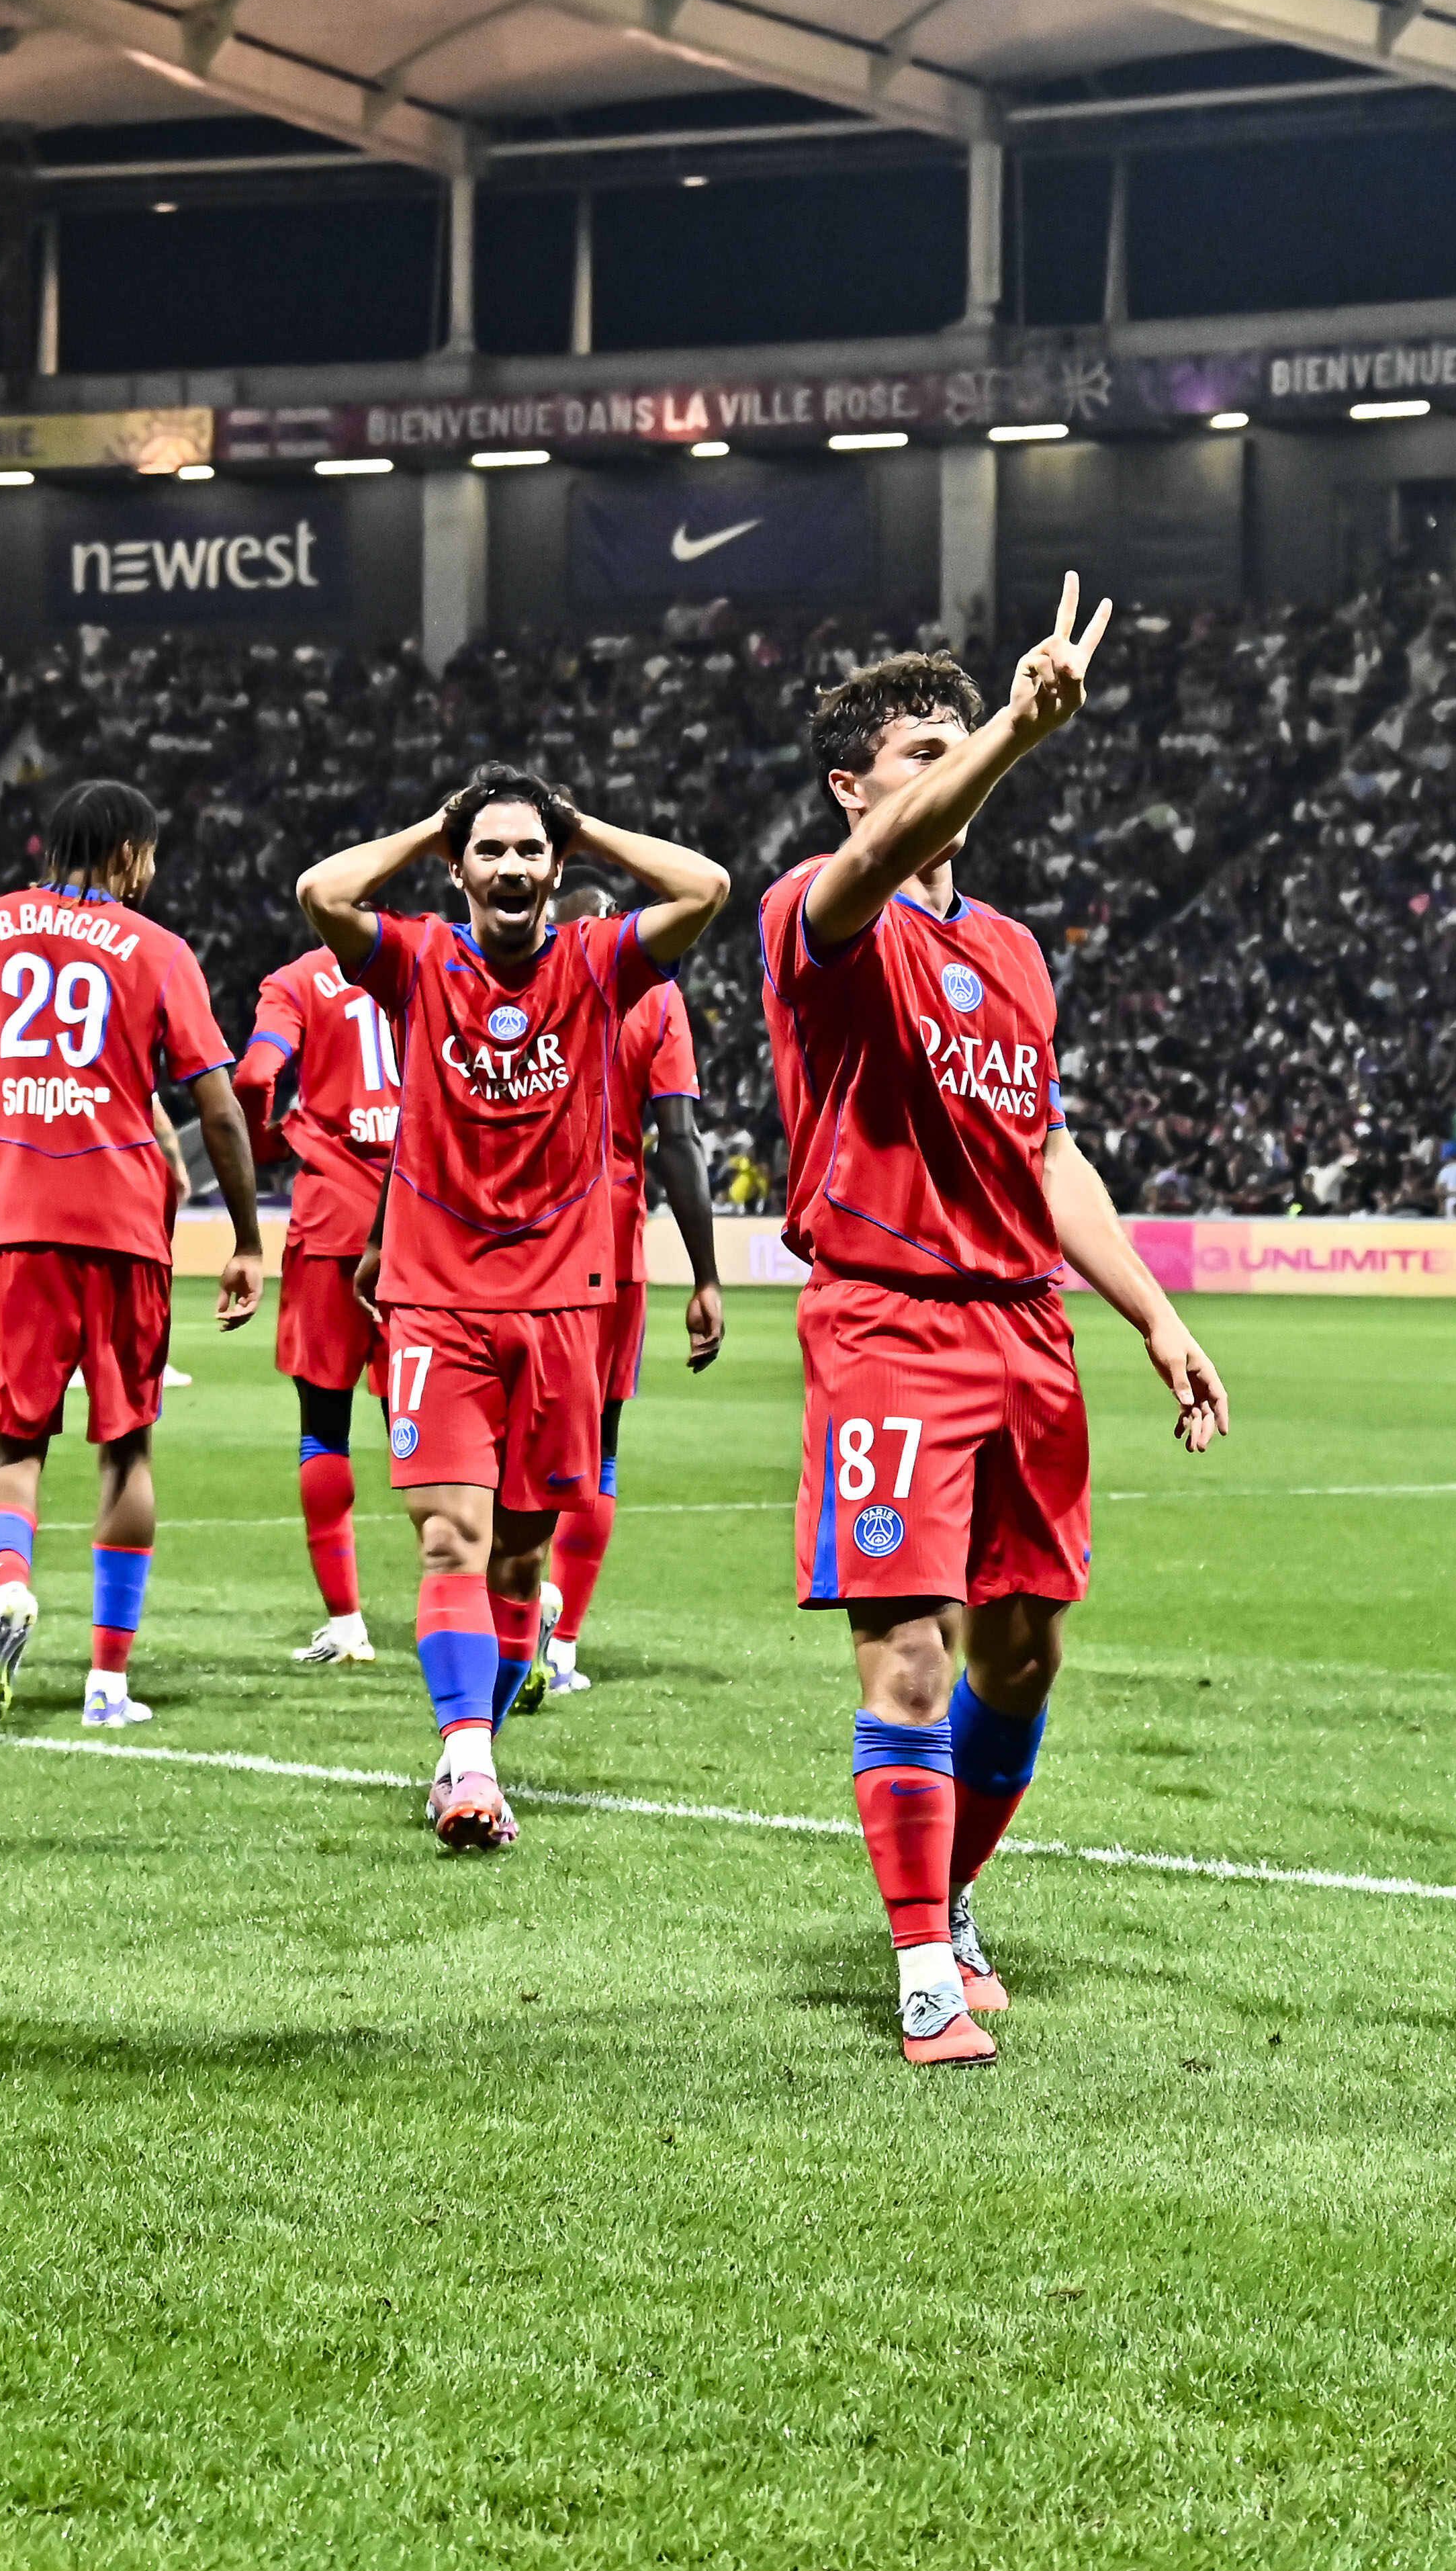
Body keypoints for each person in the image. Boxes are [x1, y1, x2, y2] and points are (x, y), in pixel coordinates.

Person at [759, 576, 1230, 2068]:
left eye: (958, 744)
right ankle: (917, 1973)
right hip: (889, 1320)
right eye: (919, 751)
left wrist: (1153, 1312)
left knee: (1019, 1651)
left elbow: (1045, 1147)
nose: (944, 771)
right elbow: (889, 853)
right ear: (852, 785)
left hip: (1027, 1331)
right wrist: (1020, 730)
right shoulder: (818, 910)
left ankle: (950, 1897)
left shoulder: (1017, 955)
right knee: (905, 1647)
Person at [293, 767, 731, 1851]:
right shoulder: (417, 960)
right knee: (451, 1533)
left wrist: (581, 829)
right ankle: (470, 1760)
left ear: (555, 866)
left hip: (564, 1299)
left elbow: (707, 885)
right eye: (489, 852)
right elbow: (320, 892)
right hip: (436, 1296)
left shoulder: (597, 961)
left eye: (530, 852)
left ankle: (468, 1753)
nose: (512, 869)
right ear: (460, 868)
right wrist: (434, 825)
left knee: (518, 1559)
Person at [0, 778, 264, 1732]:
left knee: (10, 1445)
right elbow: (220, 1108)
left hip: (12, 1217)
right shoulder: (160, 951)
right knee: (125, 1448)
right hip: (123, 1220)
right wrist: (246, 1238)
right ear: (127, 855)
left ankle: (7, 1587)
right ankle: (108, 1684)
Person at [541, 884, 726, 1698]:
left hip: (515, 1241)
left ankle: (507, 1625)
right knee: (600, 1447)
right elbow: (679, 1139)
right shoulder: (655, 995)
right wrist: (707, 1275)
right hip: (609, 1244)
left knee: (513, 1446)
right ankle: (564, 1642)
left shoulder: (518, 979)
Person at [232, 933, 406, 1667]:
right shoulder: (433, 955)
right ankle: (493, 1611)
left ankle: (347, 1625)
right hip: (425, 1220)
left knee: (324, 1426)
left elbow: (254, 1074)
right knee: (451, 1430)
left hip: (333, 1218)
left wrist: (265, 1140)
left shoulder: (299, 976)